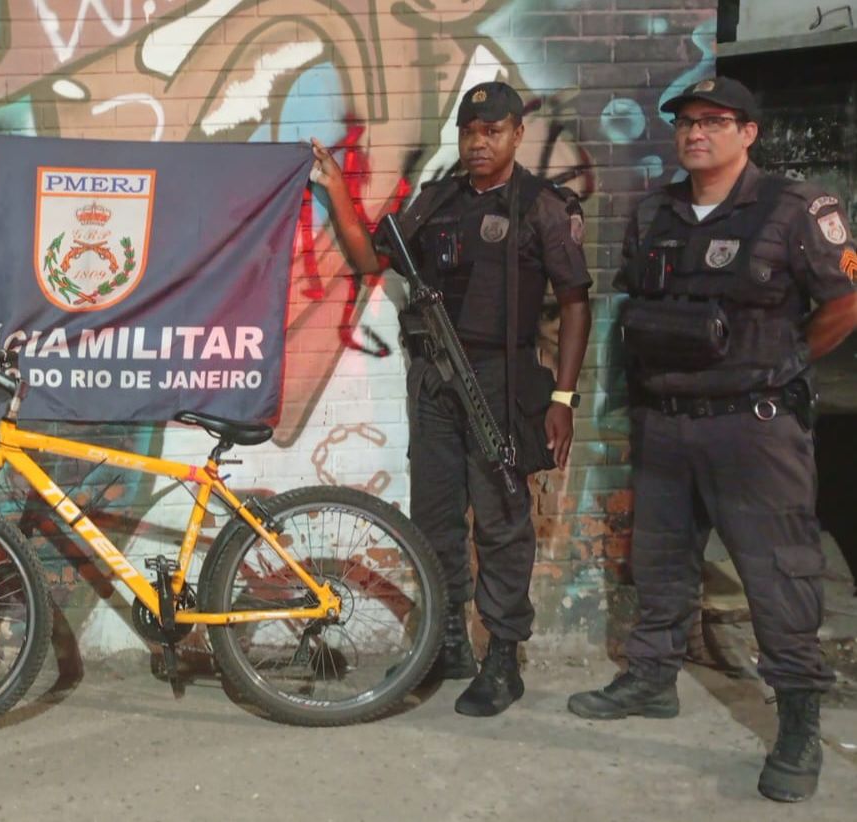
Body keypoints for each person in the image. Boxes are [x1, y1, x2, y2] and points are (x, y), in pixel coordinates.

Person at [568, 76, 857, 803]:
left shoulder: (795, 208)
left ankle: (795, 721)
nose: (695, 133)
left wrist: (782, 364)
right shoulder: (655, 212)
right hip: (666, 423)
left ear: (748, 132)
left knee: (779, 576)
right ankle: (651, 679)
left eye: (713, 121)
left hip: (754, 428)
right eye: (686, 122)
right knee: (660, 562)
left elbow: (845, 303)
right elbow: (640, 305)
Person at [312, 80, 592, 717]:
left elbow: (576, 305)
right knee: (434, 520)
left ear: (518, 135)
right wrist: (335, 192)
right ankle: (445, 643)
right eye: (469, 132)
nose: (478, 143)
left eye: (492, 131)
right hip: (435, 381)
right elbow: (367, 260)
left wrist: (563, 397)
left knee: (500, 523)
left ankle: (502, 657)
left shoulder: (542, 207)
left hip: (501, 382)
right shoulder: (436, 201)